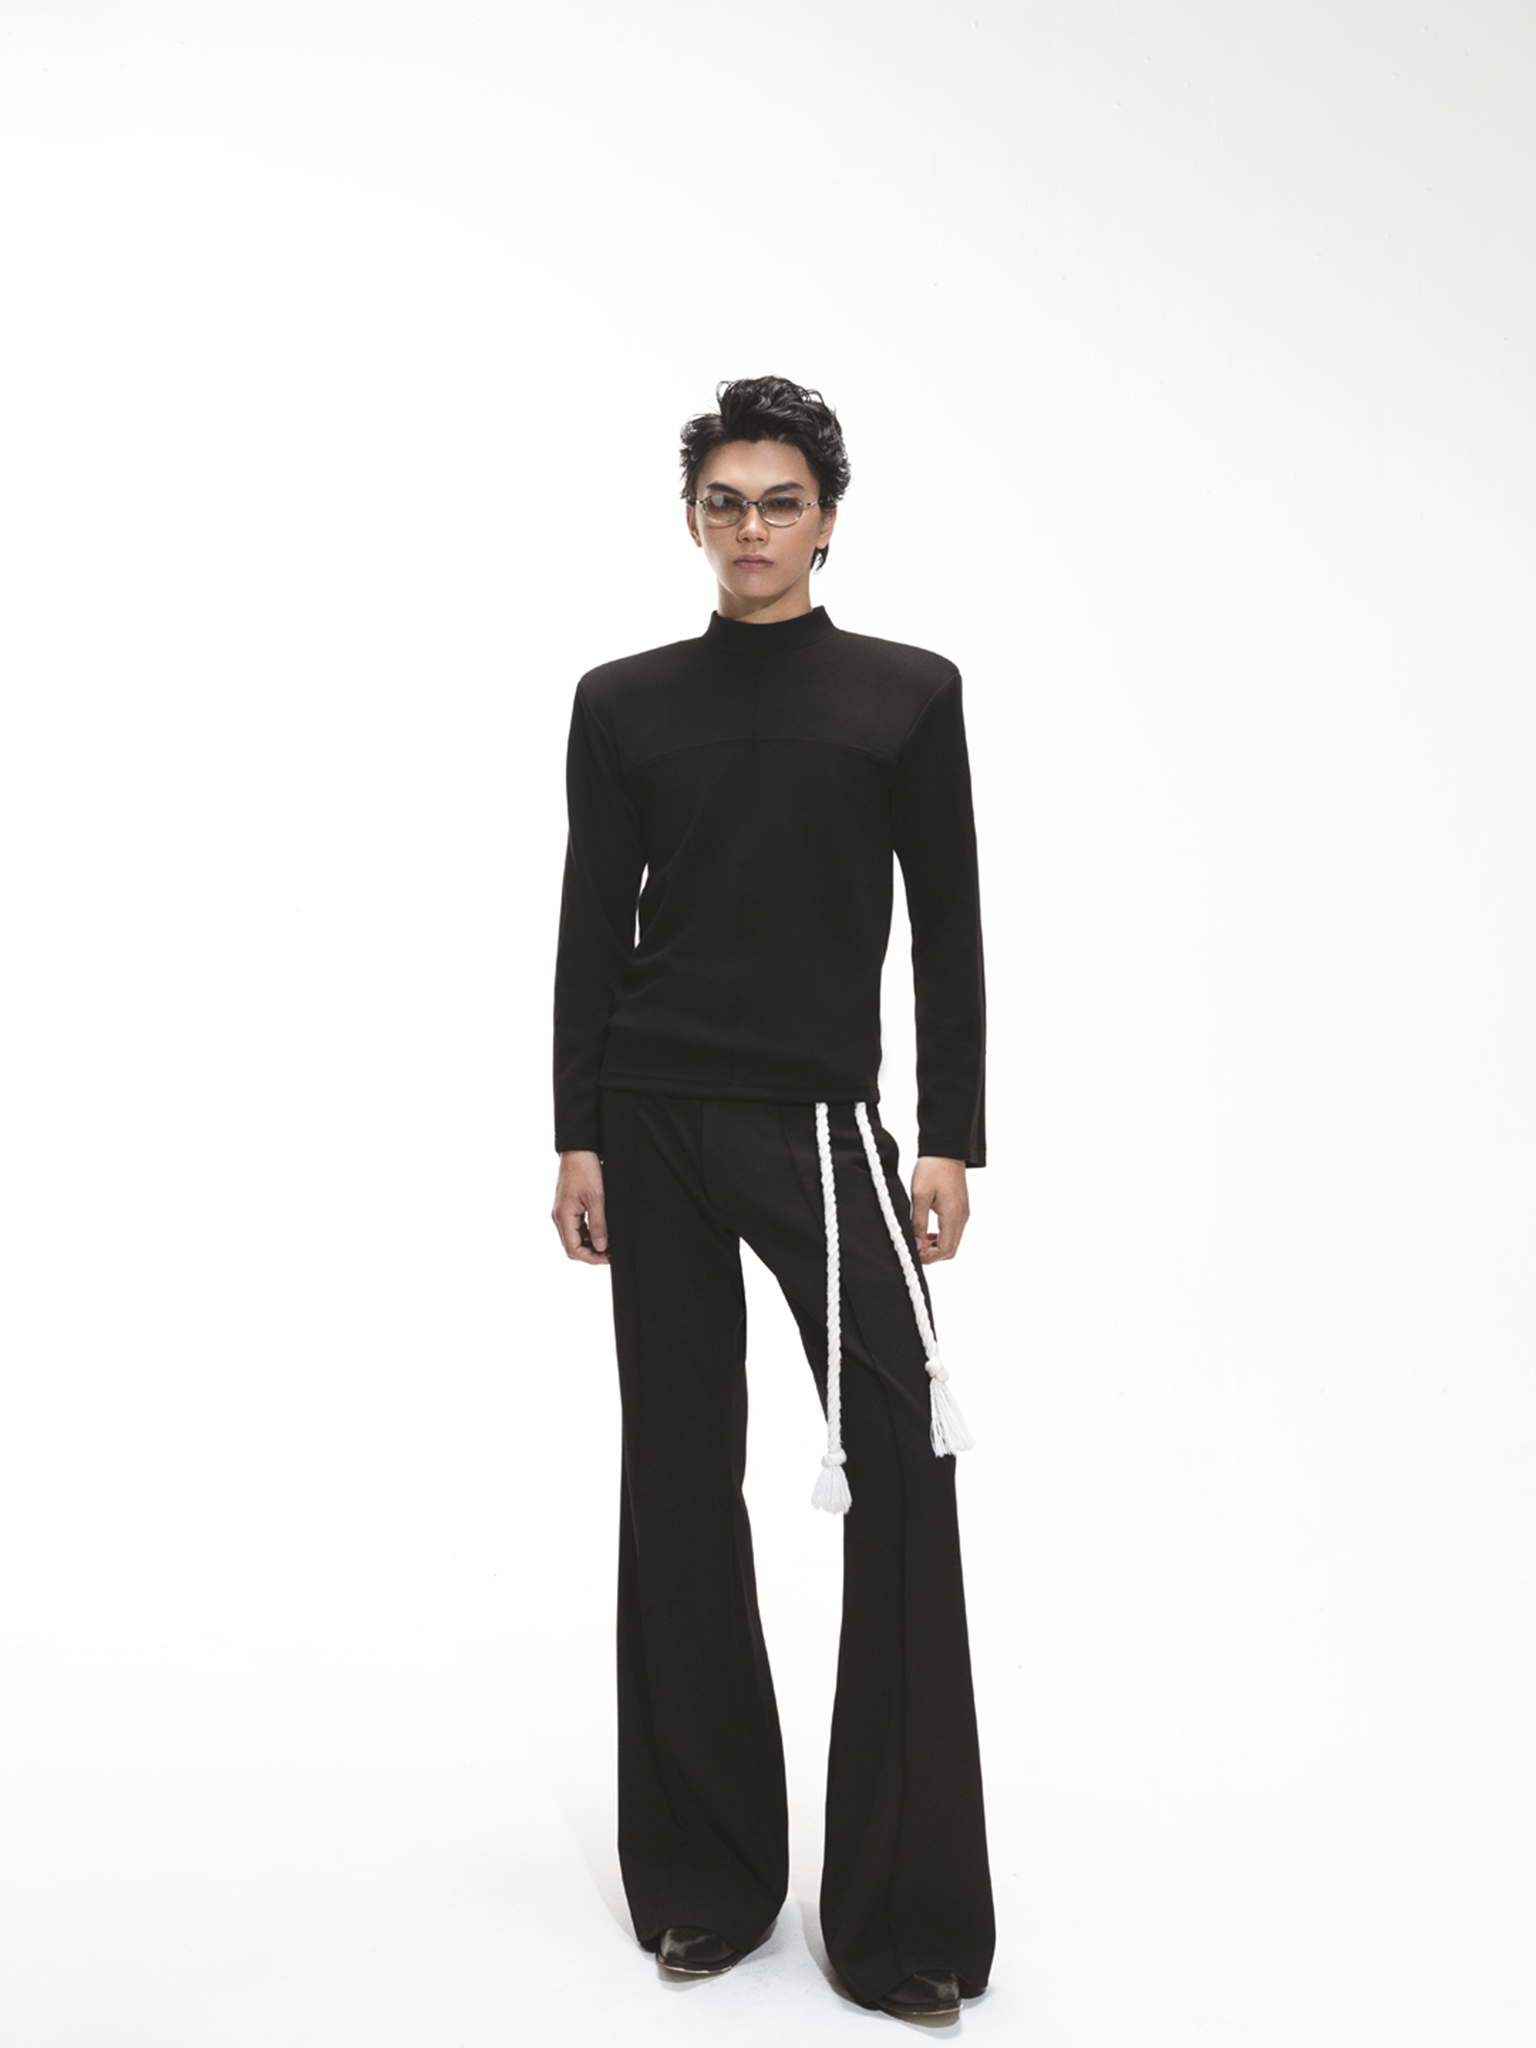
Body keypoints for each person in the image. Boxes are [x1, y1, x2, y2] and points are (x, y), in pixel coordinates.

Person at [550, 375, 994, 2020]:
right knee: (676, 1480)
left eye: (779, 501)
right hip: (652, 1120)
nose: (751, 527)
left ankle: (903, 1920)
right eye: (724, 502)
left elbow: (950, 920)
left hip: (820, 1128)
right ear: (693, 520)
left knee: (905, 1465)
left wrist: (948, 1136)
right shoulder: (624, 703)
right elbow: (591, 924)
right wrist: (576, 1131)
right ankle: (706, 1882)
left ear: (827, 519)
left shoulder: (906, 695)